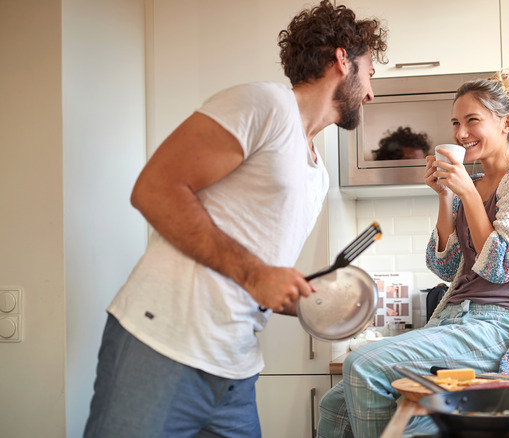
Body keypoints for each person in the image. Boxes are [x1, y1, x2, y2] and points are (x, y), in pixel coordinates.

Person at [83, 2, 387, 437]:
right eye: (370, 73)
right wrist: (256, 273)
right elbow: (154, 189)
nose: (372, 92)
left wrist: (304, 298)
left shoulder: (317, 174)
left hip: (235, 373)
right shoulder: (264, 104)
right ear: (343, 59)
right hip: (163, 345)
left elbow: (251, 270)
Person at [317, 69, 509, 437]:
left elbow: (502, 266)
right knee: (333, 404)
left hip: (499, 327)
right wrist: (446, 196)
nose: (460, 133)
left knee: (362, 366)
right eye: (455, 123)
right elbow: (445, 266)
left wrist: (464, 192)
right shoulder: (473, 184)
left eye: (472, 121)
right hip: (455, 319)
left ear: (506, 123)